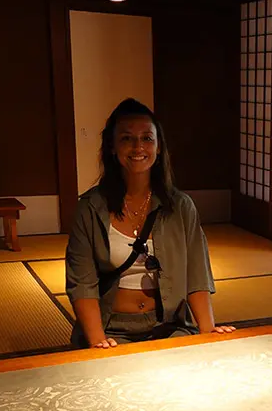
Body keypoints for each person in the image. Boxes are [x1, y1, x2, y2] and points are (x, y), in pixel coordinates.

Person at [65, 98, 234, 348]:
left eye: (147, 138)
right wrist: (98, 341)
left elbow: (197, 274)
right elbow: (82, 284)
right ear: (112, 147)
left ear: (158, 147)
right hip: (110, 329)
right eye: (126, 138)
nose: (138, 147)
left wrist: (208, 332)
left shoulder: (180, 206)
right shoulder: (90, 208)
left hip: (169, 327)